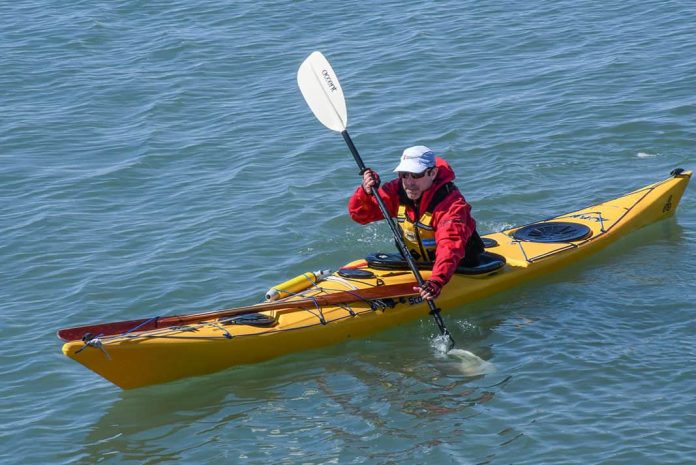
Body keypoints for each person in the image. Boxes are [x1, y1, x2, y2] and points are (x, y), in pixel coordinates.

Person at [348, 145, 484, 301]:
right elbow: (360, 216)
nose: (409, 182)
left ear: (432, 173)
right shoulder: (397, 191)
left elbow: (450, 246)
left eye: (416, 175)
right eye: (404, 175)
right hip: (418, 265)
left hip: (461, 266)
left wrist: (436, 281)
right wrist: (366, 192)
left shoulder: (451, 205)